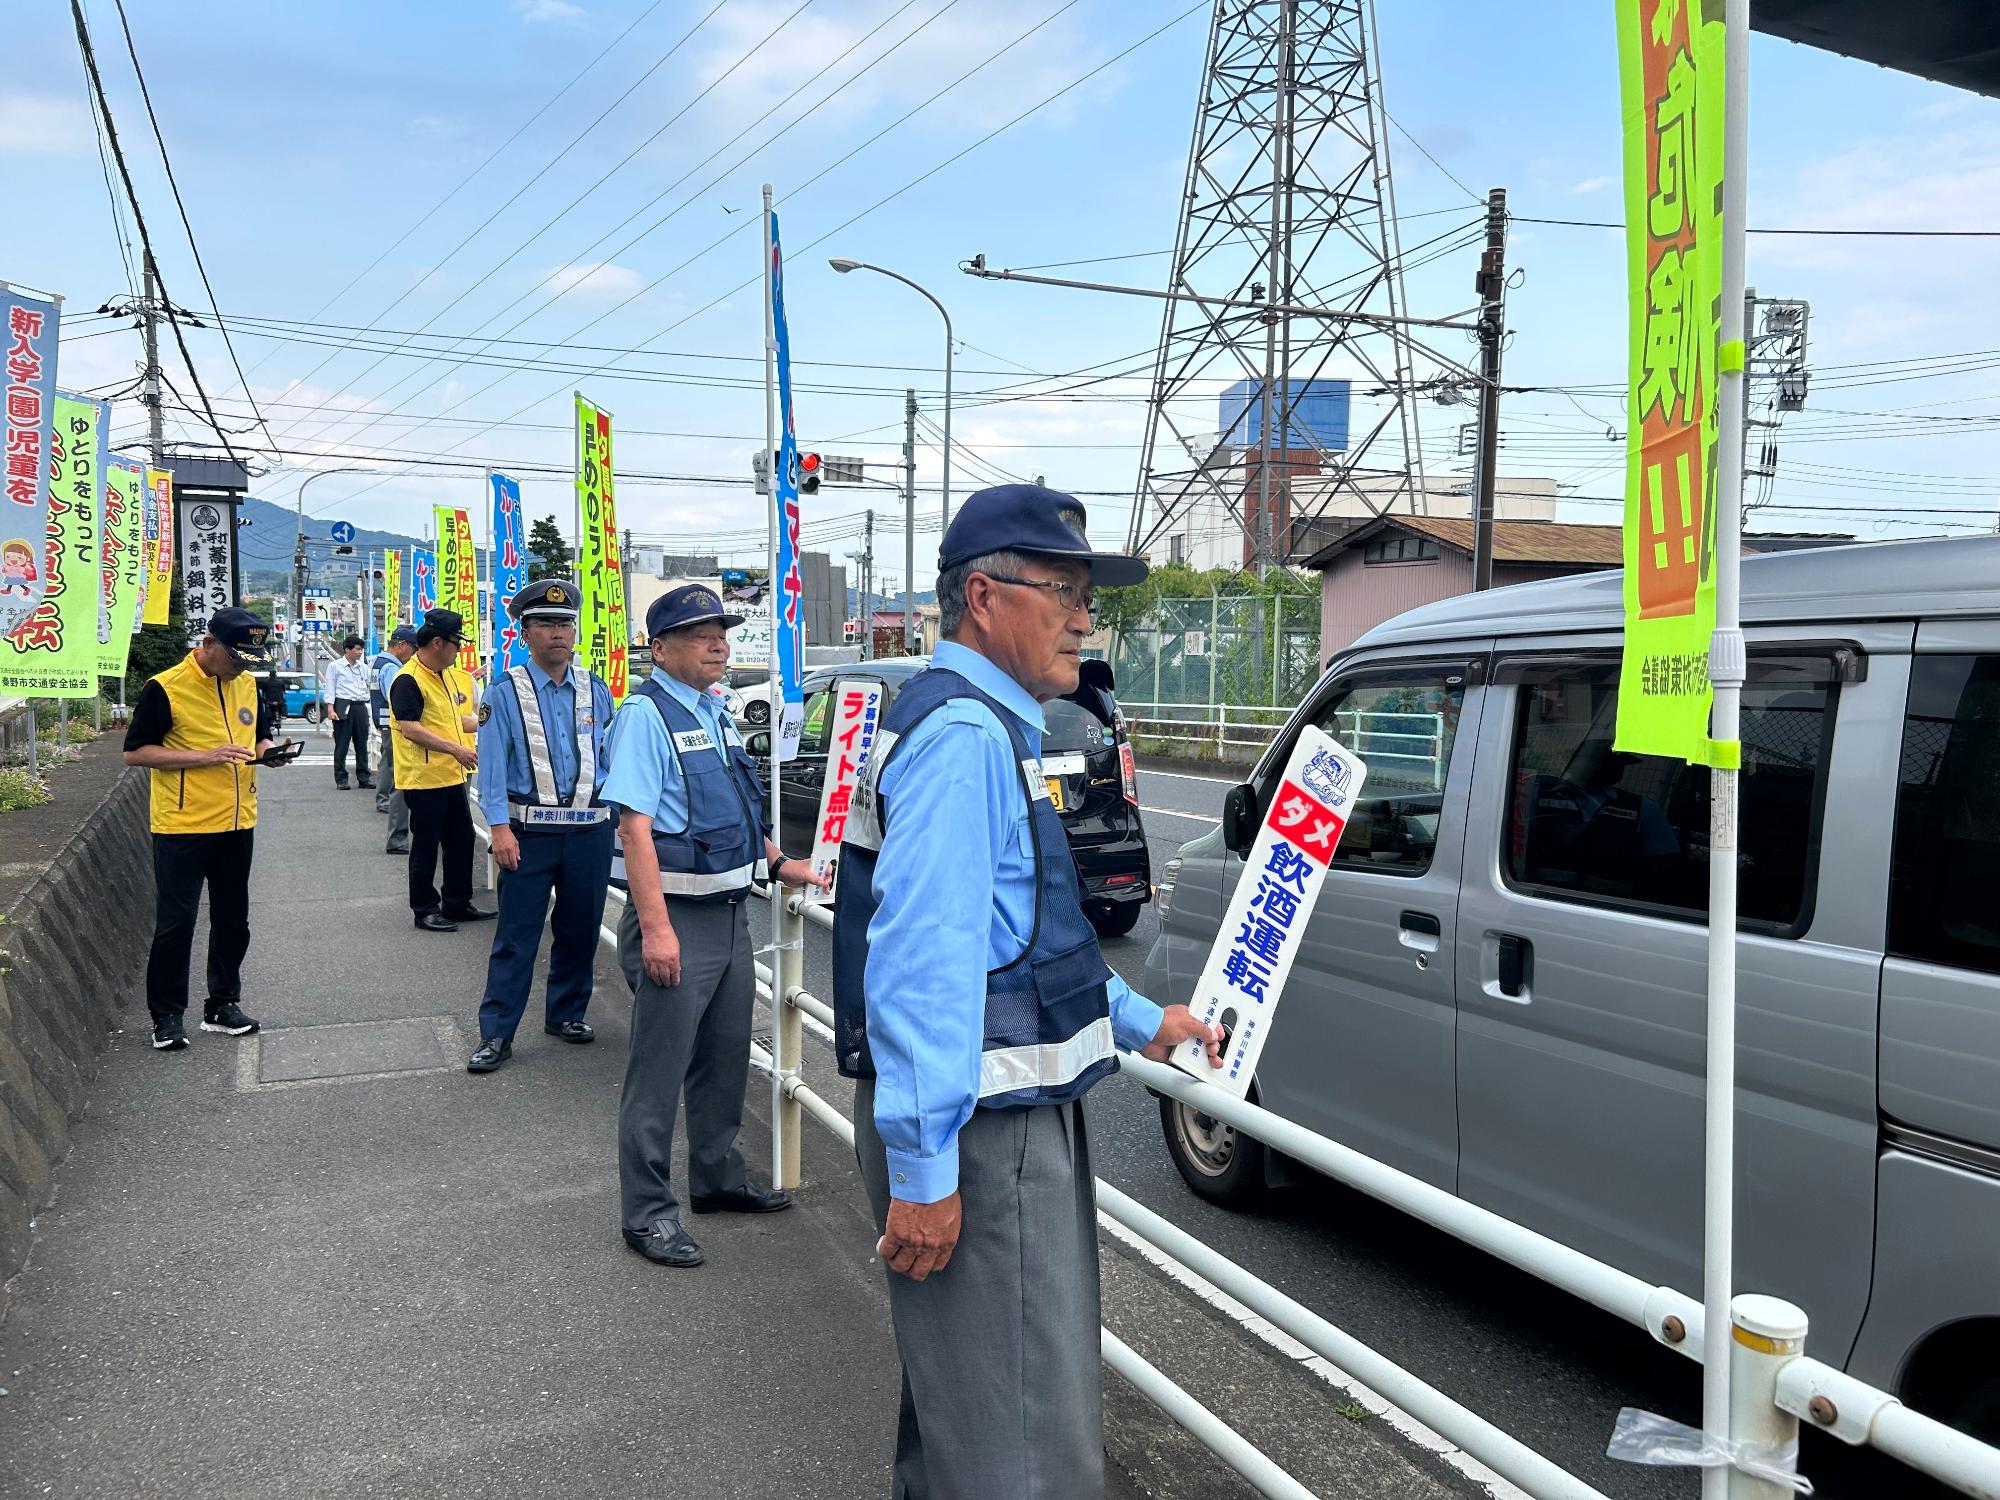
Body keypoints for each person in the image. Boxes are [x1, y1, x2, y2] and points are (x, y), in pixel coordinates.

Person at [831, 484, 1223, 1498]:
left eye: (1087, 594)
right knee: (1021, 1446)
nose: (1084, 618)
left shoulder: (977, 725)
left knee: (964, 1415)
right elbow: (922, 967)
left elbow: (1025, 935)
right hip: (982, 1132)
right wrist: (924, 1172)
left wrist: (1140, 1020)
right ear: (980, 596)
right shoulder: (967, 741)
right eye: (1062, 589)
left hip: (984, 1117)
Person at [599, 583, 828, 1268]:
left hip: (731, 914)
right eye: (699, 634)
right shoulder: (646, 715)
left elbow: (733, 810)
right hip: (677, 919)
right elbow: (635, 830)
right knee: (658, 1073)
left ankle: (717, 1178)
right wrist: (656, 929)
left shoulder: (717, 711)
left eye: (721, 632)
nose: (718, 643)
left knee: (726, 1058)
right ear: (660, 647)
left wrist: (780, 861)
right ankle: (646, 1213)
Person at [122, 607, 294, 1052]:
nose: (240, 666)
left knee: (234, 919)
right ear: (208, 644)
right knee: (177, 923)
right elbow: (136, 753)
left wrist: (268, 752)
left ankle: (222, 1003)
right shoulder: (164, 688)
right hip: (182, 824)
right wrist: (206, 756)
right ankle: (167, 1016)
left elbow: (256, 736)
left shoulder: (246, 683)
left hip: (238, 820)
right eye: (235, 657)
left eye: (248, 660)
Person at [466, 579, 616, 1073]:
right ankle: (496, 1033)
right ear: (524, 632)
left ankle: (566, 1013)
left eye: (565, 624)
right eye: (546, 624)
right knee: (517, 934)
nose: (558, 633)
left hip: (589, 831)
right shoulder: (504, 692)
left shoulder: (597, 689)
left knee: (580, 928)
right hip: (528, 832)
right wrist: (499, 828)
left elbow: (609, 757)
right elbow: (491, 766)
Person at [390, 608, 493, 932]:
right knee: (426, 845)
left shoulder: (444, 676)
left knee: (461, 839)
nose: (458, 650)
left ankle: (457, 902)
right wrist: (457, 749)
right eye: (455, 643)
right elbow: (411, 729)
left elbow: (452, 720)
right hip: (423, 778)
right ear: (437, 642)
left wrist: (489, 723)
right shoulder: (408, 679)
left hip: (449, 773)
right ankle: (425, 909)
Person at [372, 625, 419, 854]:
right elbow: (399, 700)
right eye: (412, 647)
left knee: (387, 768)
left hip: (383, 723)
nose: (413, 654)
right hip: (397, 727)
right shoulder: (392, 668)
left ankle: (383, 802)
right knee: (400, 780)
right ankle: (398, 837)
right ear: (400, 644)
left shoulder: (377, 663)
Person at [322, 634, 375, 790]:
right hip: (342, 705)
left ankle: (364, 778)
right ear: (347, 649)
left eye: (361, 649)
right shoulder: (335, 666)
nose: (360, 652)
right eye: (357, 649)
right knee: (342, 745)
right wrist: (330, 709)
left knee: (362, 744)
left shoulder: (364, 668)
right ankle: (341, 779)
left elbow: (368, 688)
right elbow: (330, 688)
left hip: (360, 706)